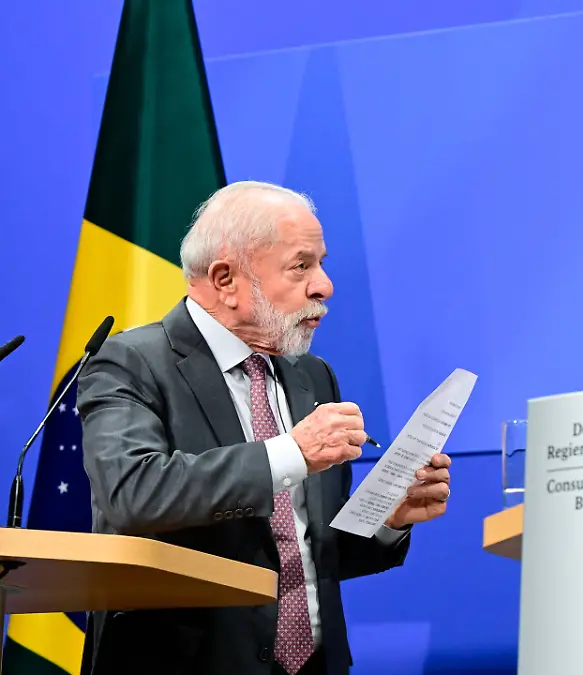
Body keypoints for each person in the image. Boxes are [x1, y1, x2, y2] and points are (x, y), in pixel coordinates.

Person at [77, 181, 451, 675]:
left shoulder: (311, 375)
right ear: (226, 279)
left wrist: (389, 517)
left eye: (320, 263)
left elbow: (306, 551)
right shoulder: (130, 363)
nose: (324, 285)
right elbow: (131, 493)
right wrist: (291, 454)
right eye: (301, 266)